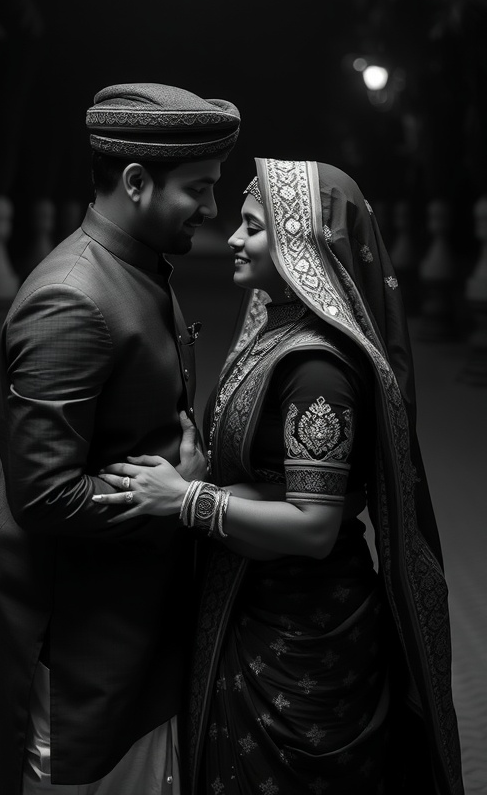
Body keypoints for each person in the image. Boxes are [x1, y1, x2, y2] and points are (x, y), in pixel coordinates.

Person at [95, 158, 464, 795]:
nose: (233, 239)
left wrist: (188, 500)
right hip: (257, 610)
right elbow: (277, 477)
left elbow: (315, 525)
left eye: (253, 227)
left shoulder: (317, 368)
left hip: (304, 640)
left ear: (304, 243)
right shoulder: (280, 332)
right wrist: (204, 470)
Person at [0, 82, 241, 795]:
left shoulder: (136, 268)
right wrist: (175, 499)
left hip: (132, 642)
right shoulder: (73, 297)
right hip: (86, 662)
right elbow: (44, 494)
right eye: (199, 189)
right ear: (134, 182)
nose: (213, 210)